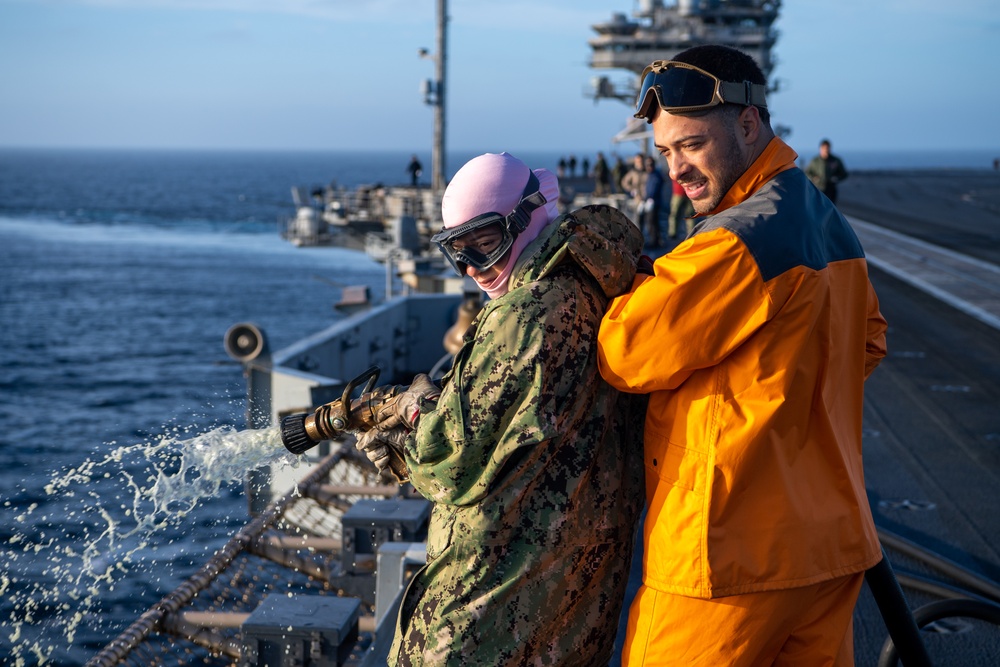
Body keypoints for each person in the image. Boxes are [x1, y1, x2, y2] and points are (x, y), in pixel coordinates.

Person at [597, 45, 888, 666]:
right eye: (666, 152)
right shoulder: (828, 222)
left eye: (692, 145)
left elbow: (623, 353)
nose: (677, 170)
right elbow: (869, 342)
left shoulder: (732, 244)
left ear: (749, 124)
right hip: (830, 551)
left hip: (727, 563)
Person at [356, 152, 646, 666]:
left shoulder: (526, 313)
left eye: (486, 246)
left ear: (526, 218)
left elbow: (449, 462)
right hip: (569, 599)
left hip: (491, 615)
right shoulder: (601, 273)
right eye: (457, 252)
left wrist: (408, 431)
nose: (471, 268)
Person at [805, 138, 849, 204]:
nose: (826, 151)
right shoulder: (815, 161)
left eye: (827, 149)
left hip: (831, 189)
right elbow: (807, 173)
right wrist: (814, 178)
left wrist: (836, 178)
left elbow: (844, 174)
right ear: (820, 149)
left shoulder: (835, 161)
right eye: (824, 149)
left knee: (831, 209)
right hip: (818, 189)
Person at [642, 155, 665, 248]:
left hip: (654, 202)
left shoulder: (656, 175)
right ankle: (657, 240)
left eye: (651, 164)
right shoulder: (651, 175)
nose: (649, 166)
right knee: (653, 222)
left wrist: (650, 198)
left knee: (651, 222)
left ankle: (654, 241)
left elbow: (654, 189)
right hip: (651, 201)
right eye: (647, 165)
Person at [621, 152, 648, 229]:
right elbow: (624, 182)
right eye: (638, 161)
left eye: (641, 161)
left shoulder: (647, 172)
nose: (639, 163)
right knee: (637, 220)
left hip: (647, 198)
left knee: (649, 220)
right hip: (637, 199)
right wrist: (631, 189)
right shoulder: (633, 172)